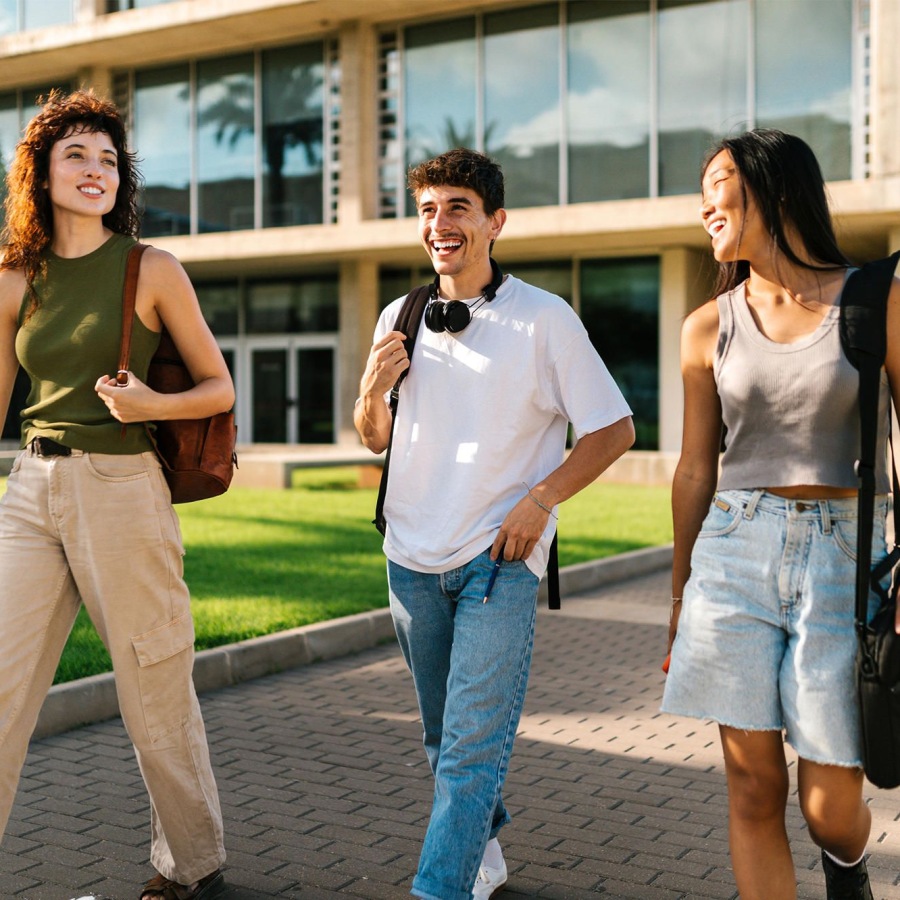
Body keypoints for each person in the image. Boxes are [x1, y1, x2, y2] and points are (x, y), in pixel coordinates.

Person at [354, 147, 634, 900]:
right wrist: (374, 387)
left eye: (457, 209)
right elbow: (371, 436)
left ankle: (439, 887)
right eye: (427, 211)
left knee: (472, 750)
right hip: (410, 557)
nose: (438, 224)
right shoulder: (399, 314)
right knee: (445, 739)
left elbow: (613, 430)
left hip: (497, 563)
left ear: (494, 222)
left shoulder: (545, 319)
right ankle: (480, 845)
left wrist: (541, 501)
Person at [0, 90, 231, 900]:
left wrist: (151, 406)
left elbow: (217, 386)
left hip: (123, 485)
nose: (95, 170)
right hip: (29, 486)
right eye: (77, 156)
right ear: (39, 172)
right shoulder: (12, 278)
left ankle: (190, 861)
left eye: (108, 159)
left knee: (152, 679)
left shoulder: (150, 268)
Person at [662, 128, 900, 900]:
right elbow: (697, 466)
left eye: (720, 183)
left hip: (844, 552)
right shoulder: (708, 324)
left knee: (831, 808)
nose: (705, 204)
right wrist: (677, 594)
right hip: (734, 553)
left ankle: (847, 865)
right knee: (754, 787)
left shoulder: (877, 298)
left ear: (775, 189)